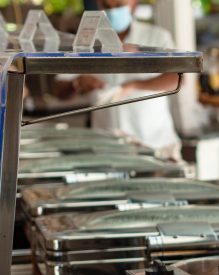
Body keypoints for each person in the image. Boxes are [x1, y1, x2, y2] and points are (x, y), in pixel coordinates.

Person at [53, 0, 182, 159]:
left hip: (155, 145)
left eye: (119, 6)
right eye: (107, 6)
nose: (113, 11)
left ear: (133, 5)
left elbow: (176, 78)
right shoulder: (86, 41)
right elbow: (58, 89)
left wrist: (134, 85)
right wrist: (77, 83)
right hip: (106, 150)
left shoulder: (157, 36)